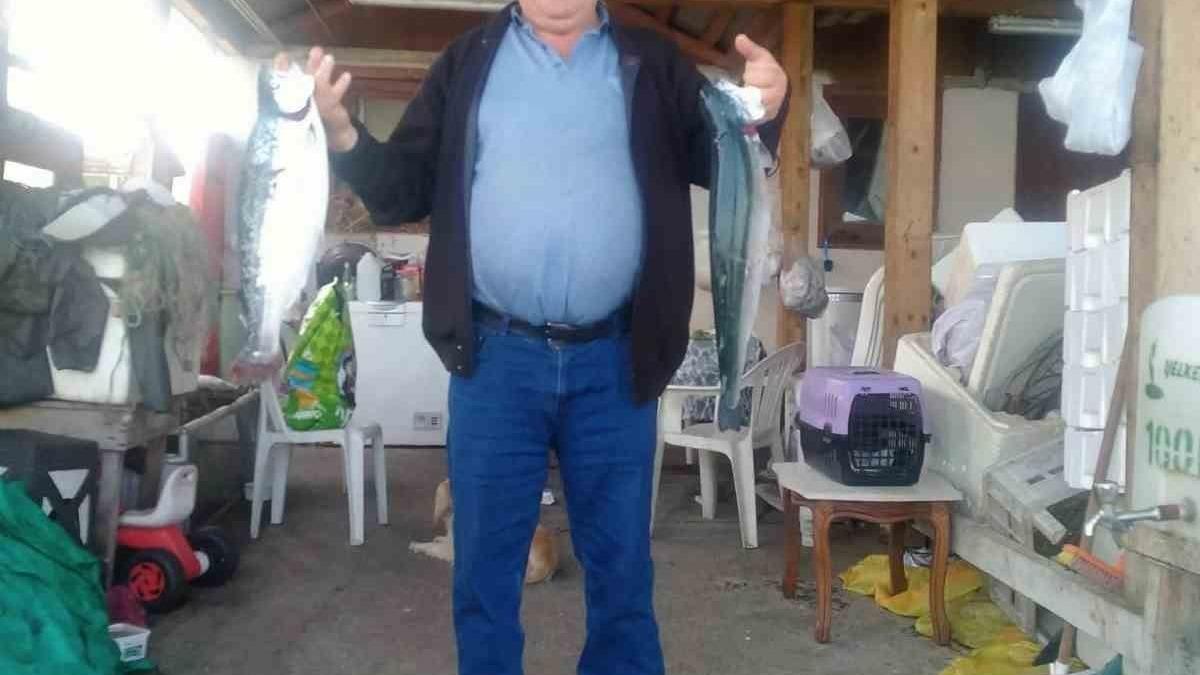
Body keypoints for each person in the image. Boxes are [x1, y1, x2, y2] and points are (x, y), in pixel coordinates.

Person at [305, 0, 788, 672]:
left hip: (617, 361)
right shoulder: (467, 63)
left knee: (622, 576)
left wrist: (765, 108)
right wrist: (342, 133)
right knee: (485, 576)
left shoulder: (654, 63)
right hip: (494, 362)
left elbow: (727, 156)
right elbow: (400, 191)